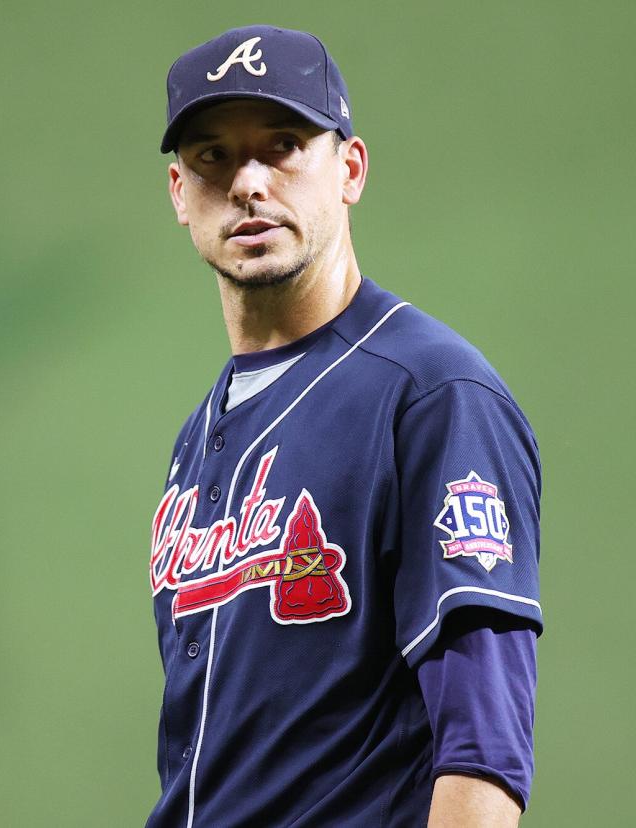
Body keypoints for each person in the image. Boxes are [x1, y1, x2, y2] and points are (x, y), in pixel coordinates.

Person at [145, 25, 542, 827]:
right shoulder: (201, 435)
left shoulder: (433, 395)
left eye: (284, 144)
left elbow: (485, 754)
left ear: (350, 169)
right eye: (215, 156)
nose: (250, 182)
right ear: (180, 193)